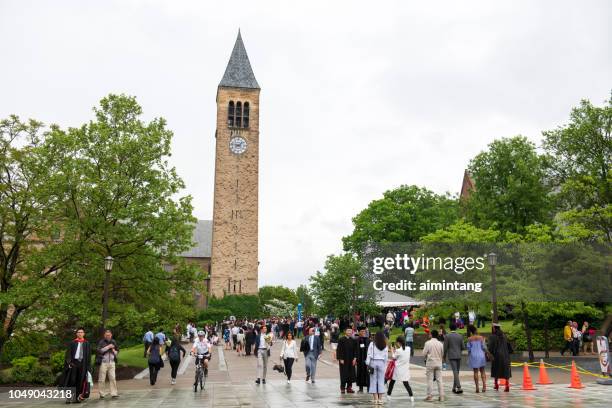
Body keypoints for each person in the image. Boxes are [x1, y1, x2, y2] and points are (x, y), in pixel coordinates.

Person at [63, 327, 92, 403]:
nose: (80, 333)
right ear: (76, 334)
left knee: (80, 381)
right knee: (71, 381)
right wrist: (69, 363)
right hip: (74, 364)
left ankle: (76, 397)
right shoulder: (72, 343)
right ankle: (69, 398)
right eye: (78, 332)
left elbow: (88, 356)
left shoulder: (87, 343)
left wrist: (89, 367)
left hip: (83, 364)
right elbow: (68, 354)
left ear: (84, 334)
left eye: (81, 332)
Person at [387, 335, 413, 402]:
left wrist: (392, 350)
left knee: (392, 382)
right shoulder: (408, 348)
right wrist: (396, 350)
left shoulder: (398, 350)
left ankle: (388, 395)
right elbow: (402, 354)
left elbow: (393, 357)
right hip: (405, 369)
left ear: (399, 342)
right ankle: (411, 396)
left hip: (397, 369)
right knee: (406, 383)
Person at [488, 323, 512, 392]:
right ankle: (507, 385)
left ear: (494, 328)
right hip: (506, 355)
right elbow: (509, 345)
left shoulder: (492, 336)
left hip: (497, 355)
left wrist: (489, 353)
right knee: (506, 369)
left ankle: (496, 384)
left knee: (496, 369)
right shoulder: (504, 336)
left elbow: (491, 347)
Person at [366, 331, 388, 405]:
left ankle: (375, 399)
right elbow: (386, 356)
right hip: (381, 363)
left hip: (373, 362)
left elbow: (369, 354)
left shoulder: (372, 344)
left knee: (373, 381)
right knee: (381, 381)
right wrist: (385, 364)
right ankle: (380, 399)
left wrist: (367, 363)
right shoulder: (385, 345)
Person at [96, 329, 119, 399]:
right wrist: (108, 347)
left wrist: (114, 351)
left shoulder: (113, 341)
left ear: (111, 335)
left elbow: (117, 350)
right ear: (104, 335)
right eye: (106, 335)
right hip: (103, 363)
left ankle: (114, 393)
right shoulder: (101, 342)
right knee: (102, 379)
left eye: (109, 335)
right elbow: (99, 350)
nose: (108, 336)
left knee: (113, 378)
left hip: (112, 363)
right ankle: (102, 394)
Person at [444, 322, 465, 394]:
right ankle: (454, 387)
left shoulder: (447, 336)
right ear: (456, 328)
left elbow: (445, 348)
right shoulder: (460, 336)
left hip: (451, 355)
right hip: (459, 355)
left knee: (455, 371)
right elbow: (463, 347)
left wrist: (443, 356)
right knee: (457, 372)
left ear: (449, 328)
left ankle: (458, 387)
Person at [423, 329, 444, 402]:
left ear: (431, 335)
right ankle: (441, 396)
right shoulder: (440, 344)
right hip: (439, 362)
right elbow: (442, 354)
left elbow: (424, 353)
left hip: (430, 363)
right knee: (439, 380)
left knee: (430, 380)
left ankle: (430, 395)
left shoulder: (428, 343)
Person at [467, 325, 487, 393]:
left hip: (474, 356)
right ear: (476, 330)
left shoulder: (469, 339)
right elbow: (484, 347)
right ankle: (484, 386)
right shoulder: (481, 338)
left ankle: (477, 387)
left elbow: (469, 349)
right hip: (481, 355)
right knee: (482, 371)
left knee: (475, 372)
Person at [336, 328, 357, 394]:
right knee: (344, 374)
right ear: (345, 332)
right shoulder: (341, 339)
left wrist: (355, 358)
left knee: (351, 374)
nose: (349, 332)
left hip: (351, 360)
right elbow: (339, 349)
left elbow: (355, 350)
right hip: (344, 360)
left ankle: (349, 387)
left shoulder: (353, 340)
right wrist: (340, 358)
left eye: (350, 331)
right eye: (348, 331)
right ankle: (342, 387)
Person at [355, 326, 371, 392]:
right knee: (360, 373)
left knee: (368, 373)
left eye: (364, 331)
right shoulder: (356, 340)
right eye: (361, 331)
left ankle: (368, 387)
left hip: (367, 359)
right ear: (359, 332)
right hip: (360, 360)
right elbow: (355, 350)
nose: (363, 332)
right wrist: (355, 358)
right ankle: (360, 388)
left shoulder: (368, 340)